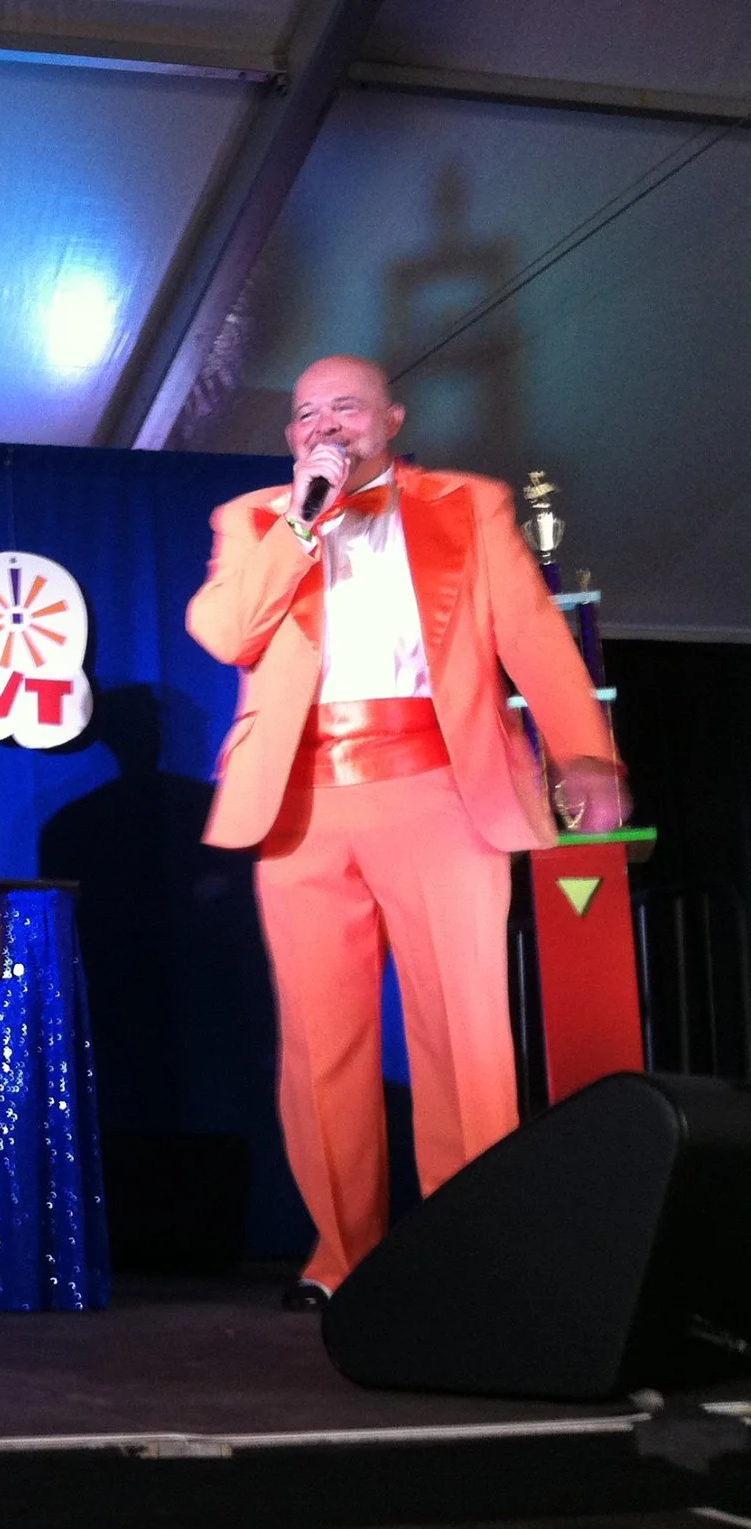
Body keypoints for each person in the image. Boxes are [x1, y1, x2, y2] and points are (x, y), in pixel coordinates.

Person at [186, 355, 626, 1310]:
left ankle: (475, 1243)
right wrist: (301, 520)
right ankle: (343, 1255)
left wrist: (586, 752)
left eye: (346, 406)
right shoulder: (253, 518)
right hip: (302, 801)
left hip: (440, 787)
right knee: (322, 1042)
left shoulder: (470, 503)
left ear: (391, 418)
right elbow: (225, 632)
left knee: (463, 1031)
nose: (325, 424)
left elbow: (532, 633)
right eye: (307, 413)